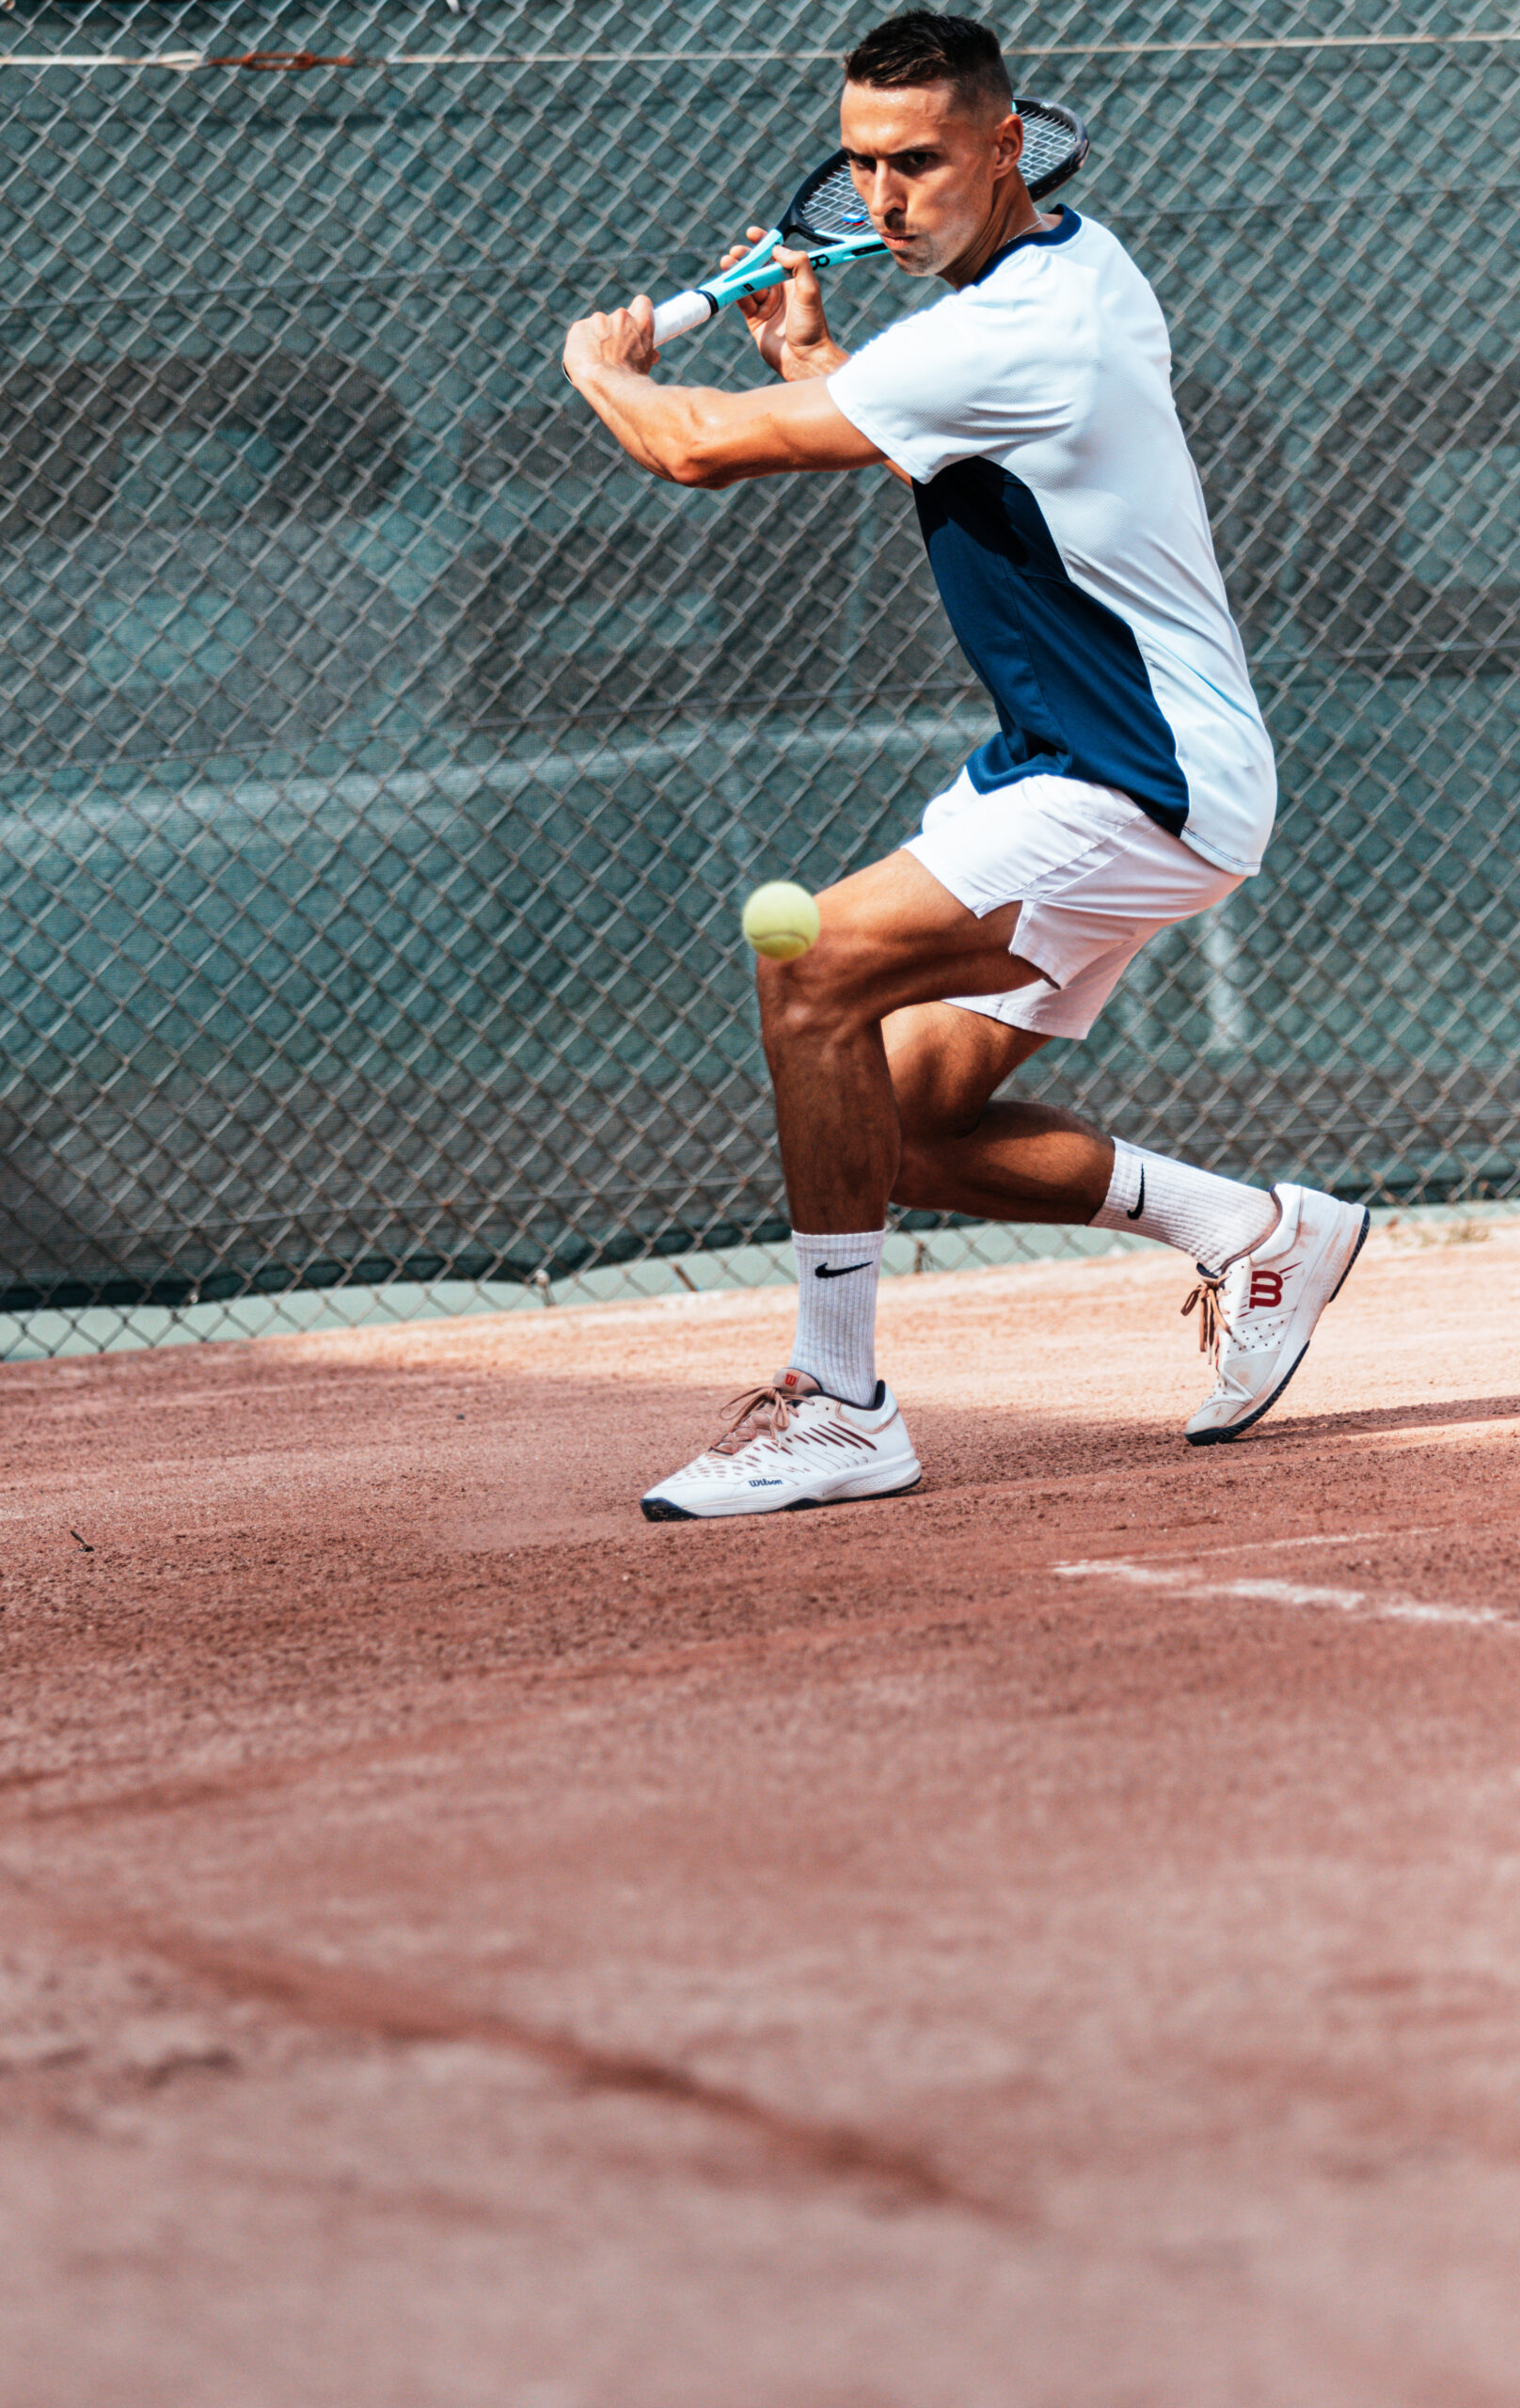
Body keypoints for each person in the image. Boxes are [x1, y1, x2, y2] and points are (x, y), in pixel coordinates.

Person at [563, 8, 1367, 1522]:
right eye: (860, 164)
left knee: (814, 976)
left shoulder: (1020, 328)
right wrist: (816, 355)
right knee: (909, 1130)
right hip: (1072, 769)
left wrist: (602, 368)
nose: (881, 198)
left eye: (917, 162)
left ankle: (844, 1404)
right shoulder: (1065, 266)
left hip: (1137, 777)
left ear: (1006, 146)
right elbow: (939, 430)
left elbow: (692, 447)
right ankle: (1255, 1230)